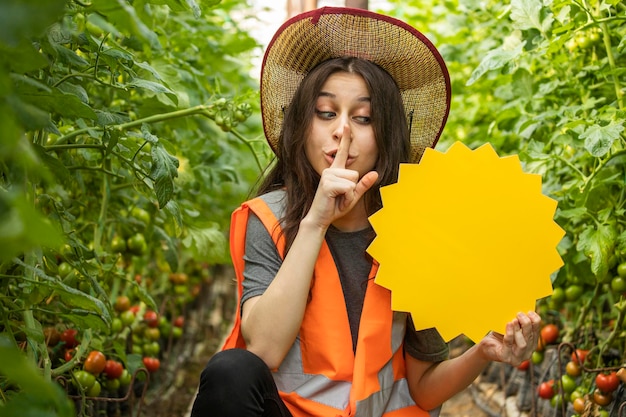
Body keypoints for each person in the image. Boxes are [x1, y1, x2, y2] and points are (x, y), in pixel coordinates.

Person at [190, 6, 541, 417]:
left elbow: (425, 391)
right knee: (230, 370)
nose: (343, 130)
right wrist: (316, 222)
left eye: (364, 117)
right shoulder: (267, 219)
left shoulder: (416, 227)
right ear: (302, 125)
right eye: (326, 113)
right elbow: (262, 350)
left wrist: (483, 353)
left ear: (385, 133)